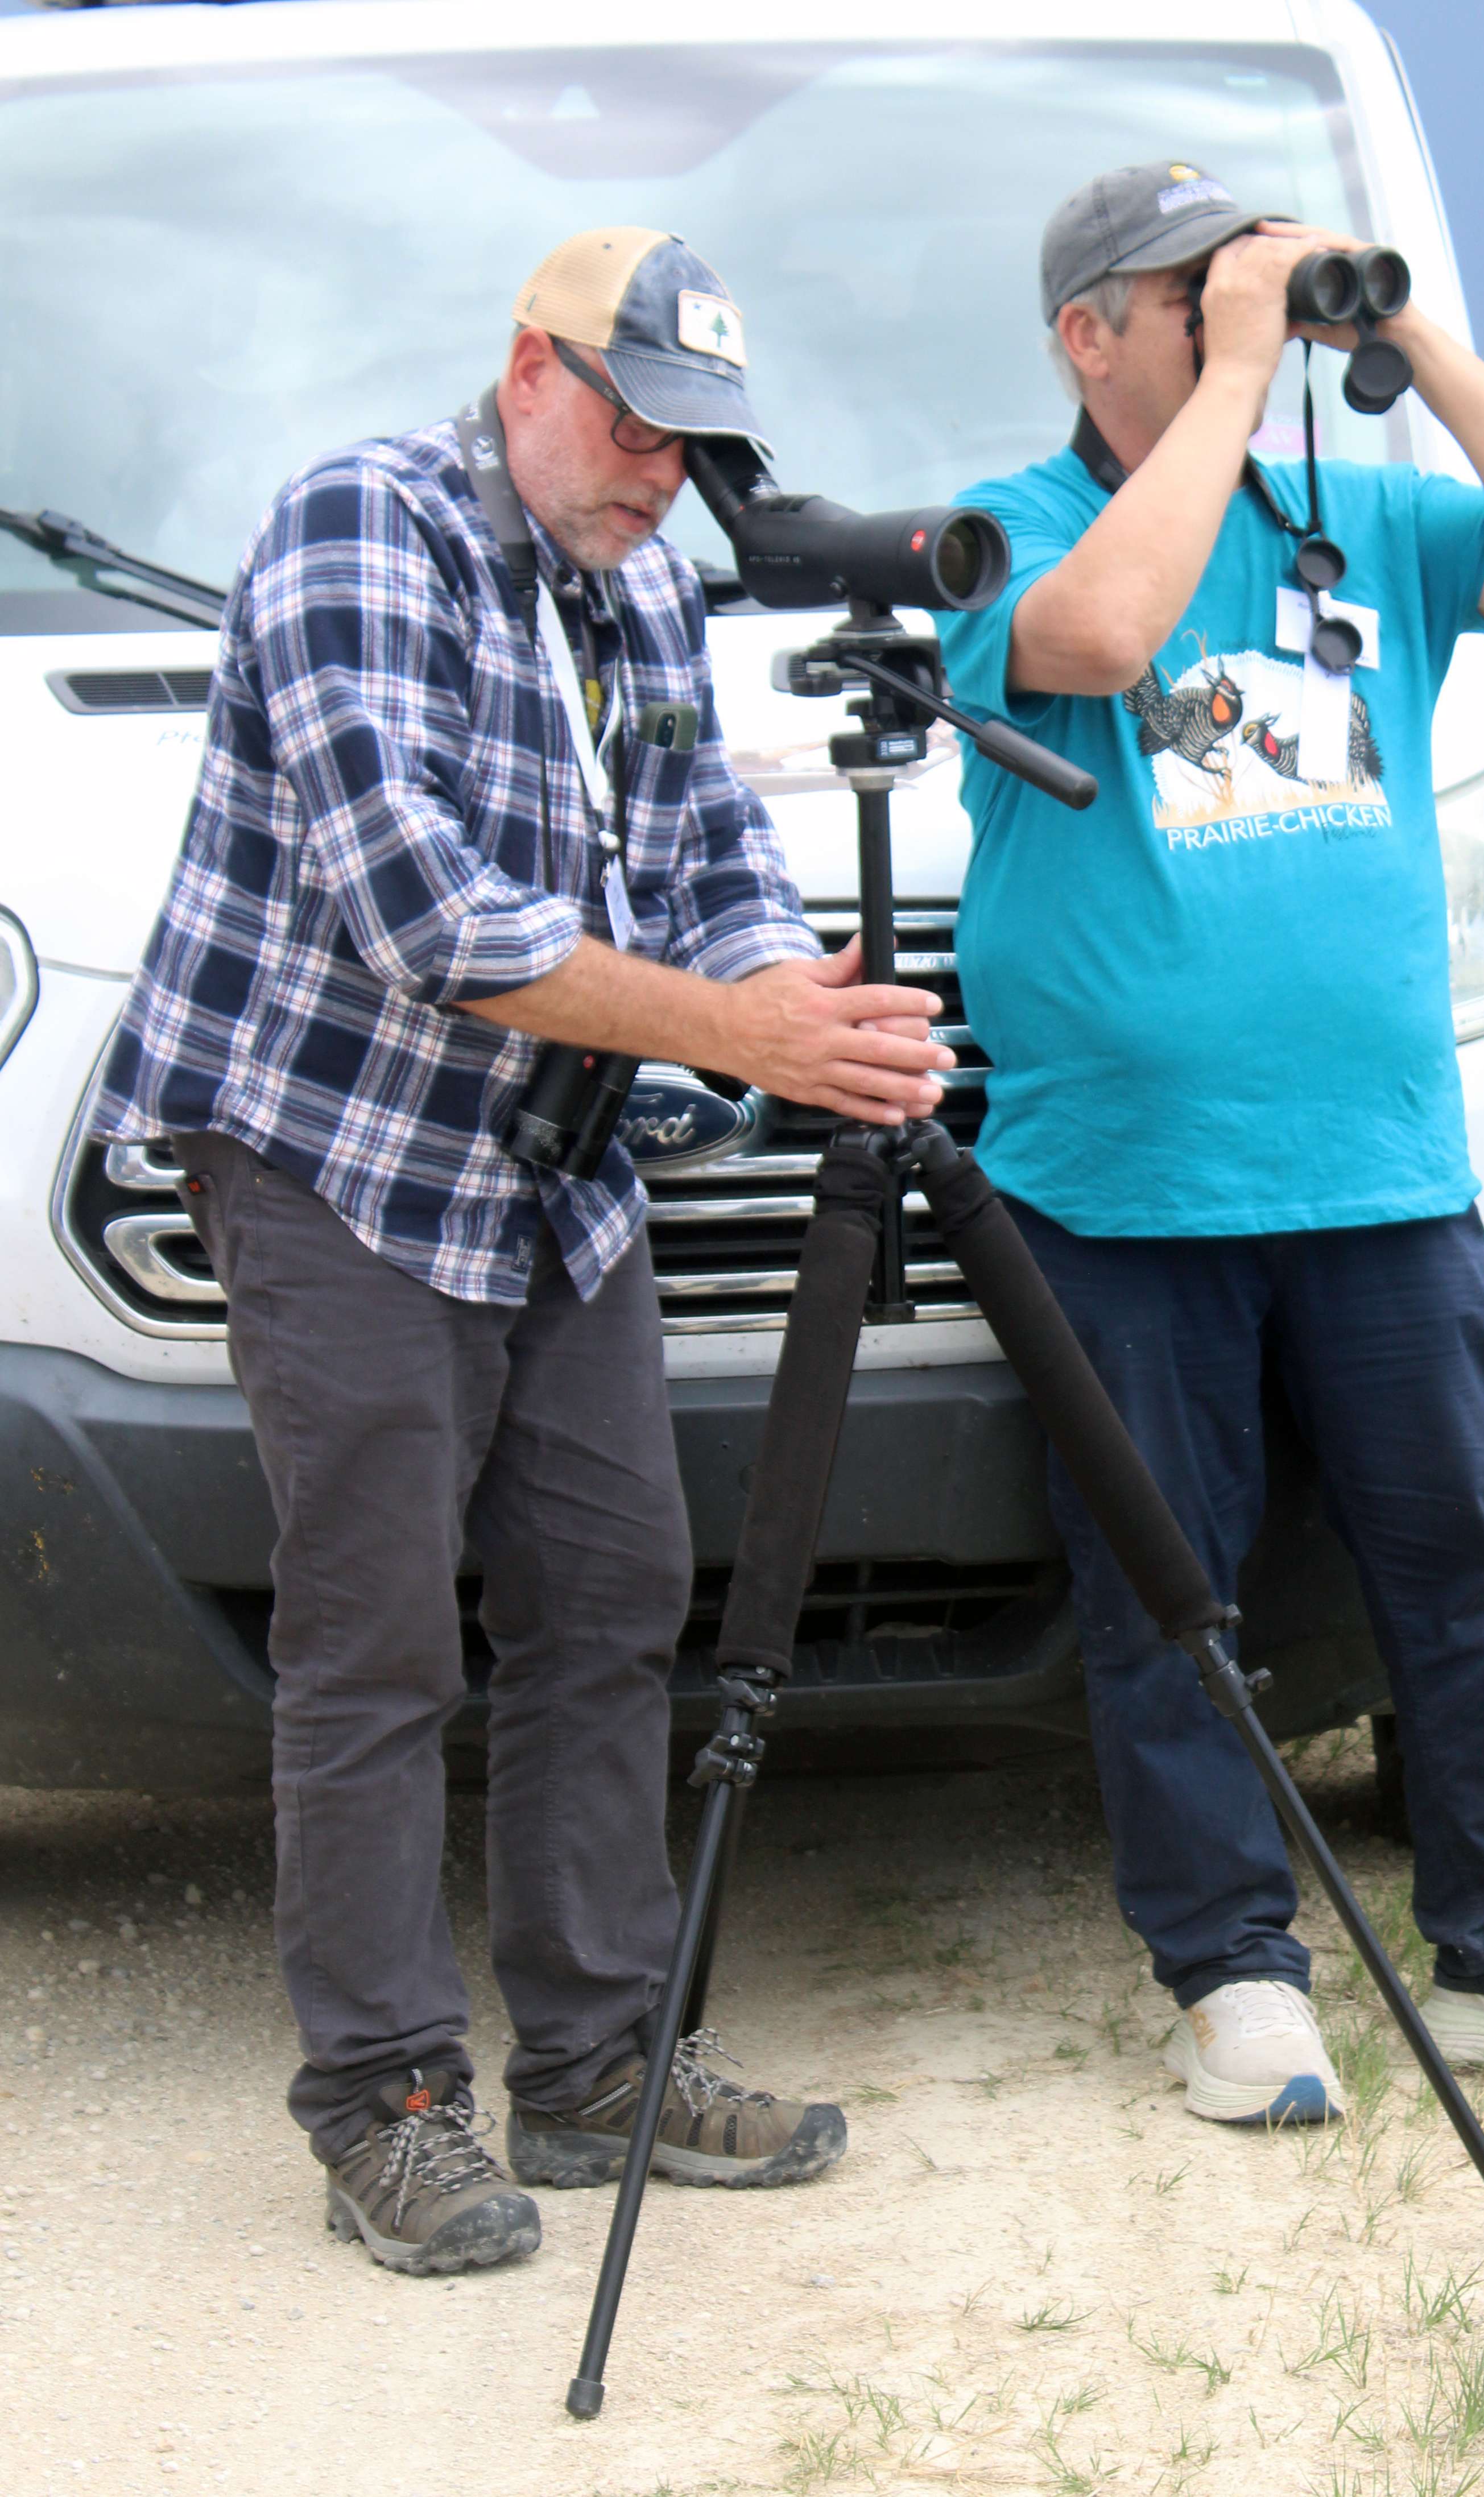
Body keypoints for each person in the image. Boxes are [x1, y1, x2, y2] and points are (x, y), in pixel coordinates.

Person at [93, 228, 956, 2269]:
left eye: (697, 444)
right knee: (379, 1629)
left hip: (543, 1165)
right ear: (528, 369)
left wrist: (805, 1011)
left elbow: (712, 860)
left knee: (612, 1584)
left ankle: (593, 2071)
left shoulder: (644, 582)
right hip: (327, 1150)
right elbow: (427, 917)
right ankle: (385, 2104)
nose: (662, 473)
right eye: (637, 421)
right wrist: (732, 1026)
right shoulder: (355, 531)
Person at [936, 162, 1484, 2127]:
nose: (1235, 320)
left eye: (1249, 285)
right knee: (1172, 1594)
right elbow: (1096, 639)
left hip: (1381, 1163)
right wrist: (1224, 384)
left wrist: (1406, 332)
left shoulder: (1360, 520)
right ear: (1086, 331)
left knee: (1466, 1571)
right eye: (1190, 294)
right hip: (1125, 1183)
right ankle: (1235, 1978)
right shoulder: (1002, 532)